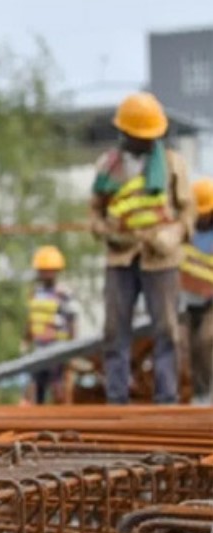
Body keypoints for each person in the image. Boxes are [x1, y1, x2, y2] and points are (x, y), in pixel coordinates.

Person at [90, 92, 195, 404]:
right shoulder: (108, 167)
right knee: (114, 331)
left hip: (161, 259)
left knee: (166, 330)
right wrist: (101, 228)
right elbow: (95, 210)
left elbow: (187, 210)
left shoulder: (173, 165)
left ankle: (167, 398)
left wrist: (175, 234)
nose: (149, 142)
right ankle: (116, 397)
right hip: (121, 256)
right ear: (127, 134)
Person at [23, 245, 77, 405]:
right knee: (36, 389)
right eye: (43, 270)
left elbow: (72, 320)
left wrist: (72, 350)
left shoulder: (64, 293)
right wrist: (26, 341)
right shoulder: (36, 293)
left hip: (58, 350)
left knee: (58, 389)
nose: (46, 274)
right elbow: (31, 320)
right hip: (39, 350)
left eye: (50, 270)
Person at [180, 178, 213, 405]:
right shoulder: (184, 232)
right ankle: (200, 395)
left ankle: (208, 393)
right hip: (189, 301)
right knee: (188, 347)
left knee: (206, 339)